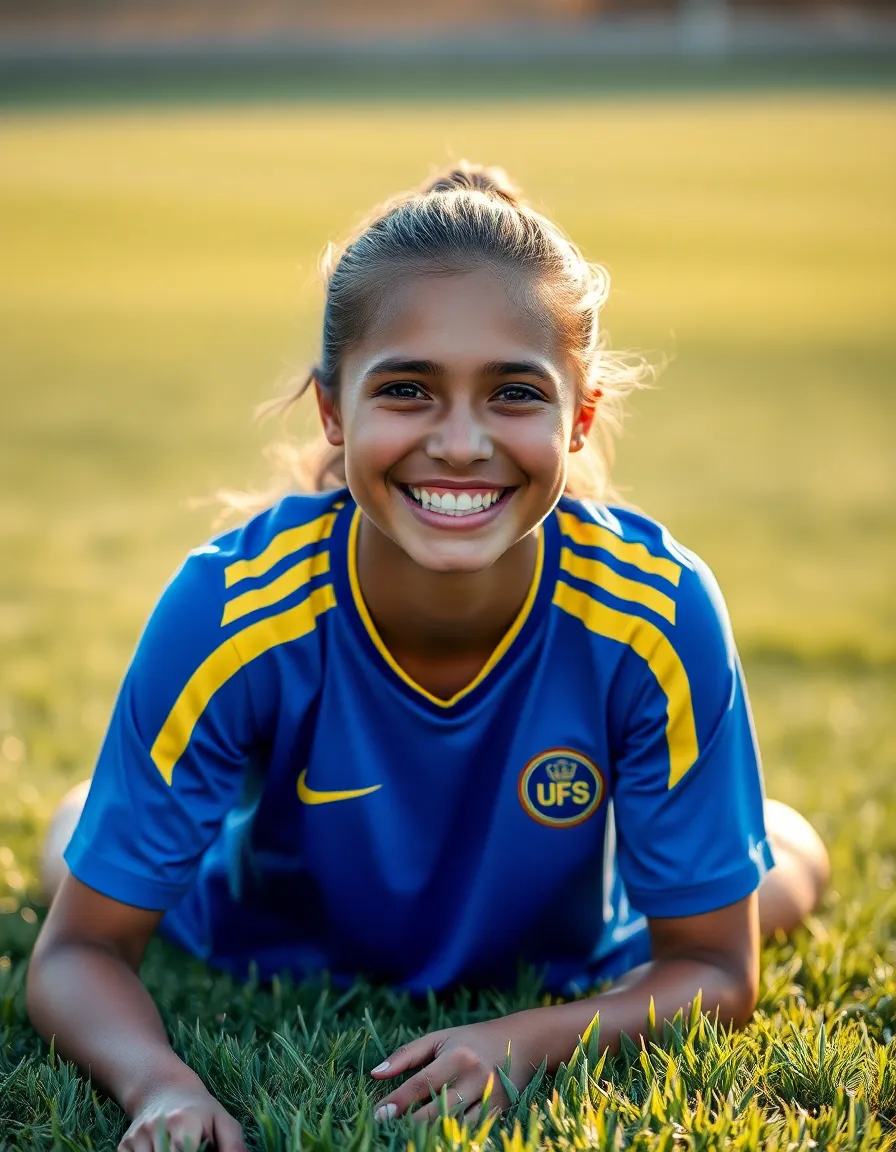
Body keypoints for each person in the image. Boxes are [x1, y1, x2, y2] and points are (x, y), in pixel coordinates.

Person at [27, 163, 830, 1152]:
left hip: (572, 946)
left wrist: (527, 1037)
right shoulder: (229, 609)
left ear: (578, 417)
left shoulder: (656, 612)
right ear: (333, 410)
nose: (458, 443)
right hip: (259, 933)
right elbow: (76, 954)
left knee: (790, 863)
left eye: (513, 393)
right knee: (75, 842)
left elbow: (715, 970)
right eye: (406, 390)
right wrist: (160, 1088)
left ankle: (765, 835)